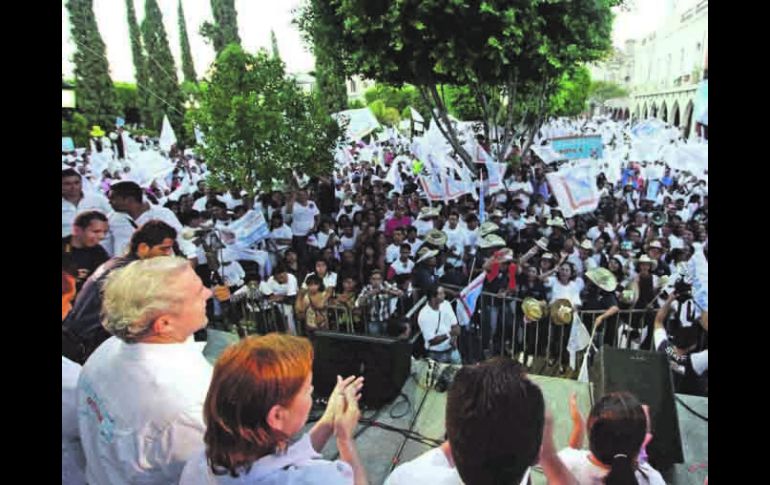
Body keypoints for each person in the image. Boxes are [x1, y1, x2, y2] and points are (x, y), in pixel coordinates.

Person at [77, 257, 215, 484]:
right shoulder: (192, 402)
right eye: (198, 292)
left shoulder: (106, 350)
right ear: (164, 324)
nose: (208, 294)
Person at [180, 334, 368, 485]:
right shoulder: (317, 479)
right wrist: (344, 439)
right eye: (307, 390)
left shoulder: (202, 462)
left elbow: (280, 461)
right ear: (277, 416)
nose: (312, 391)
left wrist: (329, 419)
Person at [385, 357, 577, 485]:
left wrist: (462, 427)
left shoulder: (406, 479)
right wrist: (548, 453)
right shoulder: (524, 458)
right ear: (537, 456)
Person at [558, 392, 665, 485]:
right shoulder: (652, 479)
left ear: (591, 433)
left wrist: (578, 426)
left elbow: (571, 461)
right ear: (640, 443)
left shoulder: (565, 464)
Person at [104, 180, 193, 259]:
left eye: (113, 199)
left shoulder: (163, 214)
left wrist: (191, 258)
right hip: (125, 270)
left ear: (129, 200)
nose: (109, 202)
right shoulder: (112, 218)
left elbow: (182, 239)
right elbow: (105, 246)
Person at [62, 210, 110, 291]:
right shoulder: (64, 247)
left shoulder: (98, 252)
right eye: (96, 231)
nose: (102, 236)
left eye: (105, 232)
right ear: (77, 230)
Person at [417, 285, 461, 364]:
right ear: (433, 297)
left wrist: (454, 337)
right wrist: (450, 334)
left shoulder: (446, 304)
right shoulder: (424, 315)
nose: (444, 295)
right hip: (435, 354)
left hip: (452, 349)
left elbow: (454, 325)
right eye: (441, 294)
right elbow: (431, 340)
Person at [62, 168, 111, 238]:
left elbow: (113, 219)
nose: (73, 187)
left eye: (76, 183)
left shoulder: (98, 199)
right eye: (67, 184)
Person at [356, 269, 403, 335]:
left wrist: (387, 291)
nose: (376, 281)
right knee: (375, 339)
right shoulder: (366, 288)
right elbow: (358, 302)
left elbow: (401, 293)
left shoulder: (386, 285)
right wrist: (369, 294)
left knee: (387, 338)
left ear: (381, 280)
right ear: (370, 280)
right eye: (374, 279)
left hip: (386, 320)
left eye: (378, 279)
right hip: (373, 321)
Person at [260, 264, 299, 335]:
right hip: (275, 305)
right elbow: (268, 295)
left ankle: (292, 334)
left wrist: (280, 298)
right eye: (280, 277)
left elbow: (292, 298)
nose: (283, 278)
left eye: (284, 275)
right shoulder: (271, 280)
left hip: (290, 303)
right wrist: (275, 298)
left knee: (288, 312)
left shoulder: (291, 278)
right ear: (275, 277)